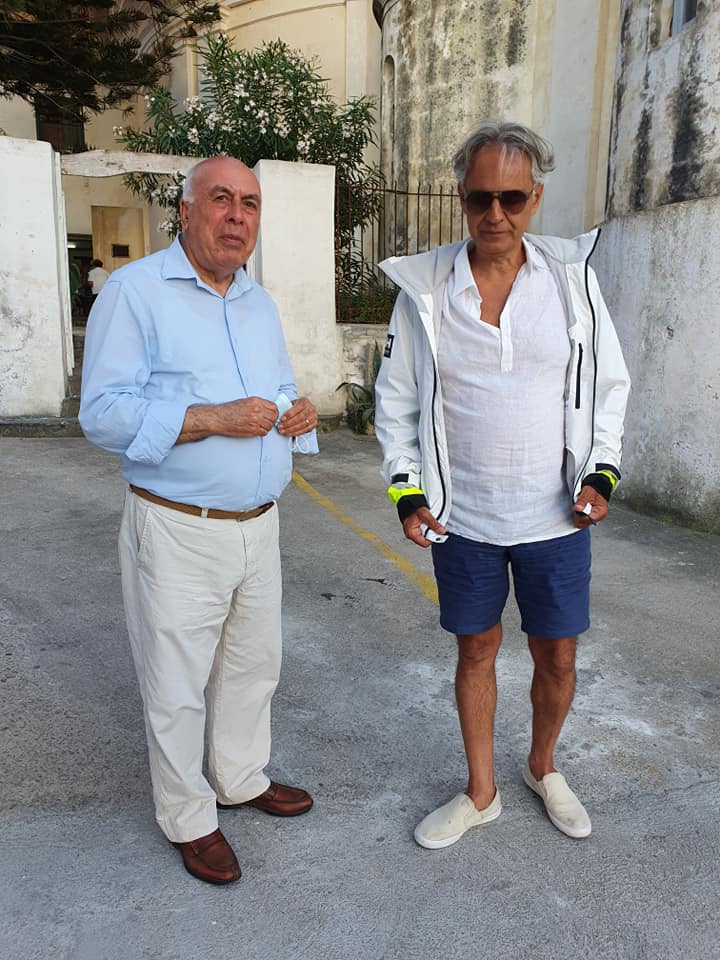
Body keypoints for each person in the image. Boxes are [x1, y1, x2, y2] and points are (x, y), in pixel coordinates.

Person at [375, 121, 630, 849]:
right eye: (480, 197)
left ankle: (542, 767)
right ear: (461, 196)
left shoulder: (572, 283)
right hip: (465, 520)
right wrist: (408, 494)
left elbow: (608, 388)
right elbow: (395, 404)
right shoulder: (426, 292)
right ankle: (481, 791)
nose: (495, 214)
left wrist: (601, 472)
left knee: (558, 656)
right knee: (476, 652)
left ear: (535, 198)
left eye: (511, 198)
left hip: (557, 519)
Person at [79, 157, 318, 885]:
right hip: (178, 524)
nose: (237, 216)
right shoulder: (136, 293)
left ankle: (240, 777)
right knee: (175, 682)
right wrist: (210, 418)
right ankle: (188, 815)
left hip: (259, 523)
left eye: (250, 203)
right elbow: (102, 414)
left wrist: (297, 411)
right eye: (221, 199)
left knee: (253, 665)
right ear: (185, 211)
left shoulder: (258, 303)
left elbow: (278, 387)